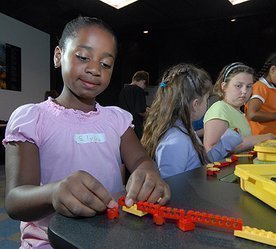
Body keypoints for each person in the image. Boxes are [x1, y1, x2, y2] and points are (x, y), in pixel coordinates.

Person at [2, 16, 170, 249]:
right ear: (58, 56)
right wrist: (53, 193)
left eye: (106, 64)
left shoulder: (116, 119)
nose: (94, 69)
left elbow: (140, 159)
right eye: (83, 57)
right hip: (51, 240)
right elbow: (14, 200)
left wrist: (148, 171)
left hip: (111, 235)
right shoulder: (32, 118)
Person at [141, 63, 242, 178]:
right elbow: (171, 187)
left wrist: (225, 143)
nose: (207, 103)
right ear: (196, 104)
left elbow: (201, 164)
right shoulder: (176, 141)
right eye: (207, 99)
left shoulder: (183, 130)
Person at [204, 62, 276, 155]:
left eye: (249, 86)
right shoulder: (220, 109)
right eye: (238, 86)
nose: (245, 91)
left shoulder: (238, 112)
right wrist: (261, 138)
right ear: (224, 87)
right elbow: (211, 151)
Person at [118, 70, 149, 139]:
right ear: (143, 81)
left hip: (123, 125)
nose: (144, 87)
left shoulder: (123, 90)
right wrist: (149, 114)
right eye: (145, 85)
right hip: (135, 126)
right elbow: (140, 110)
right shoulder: (139, 91)